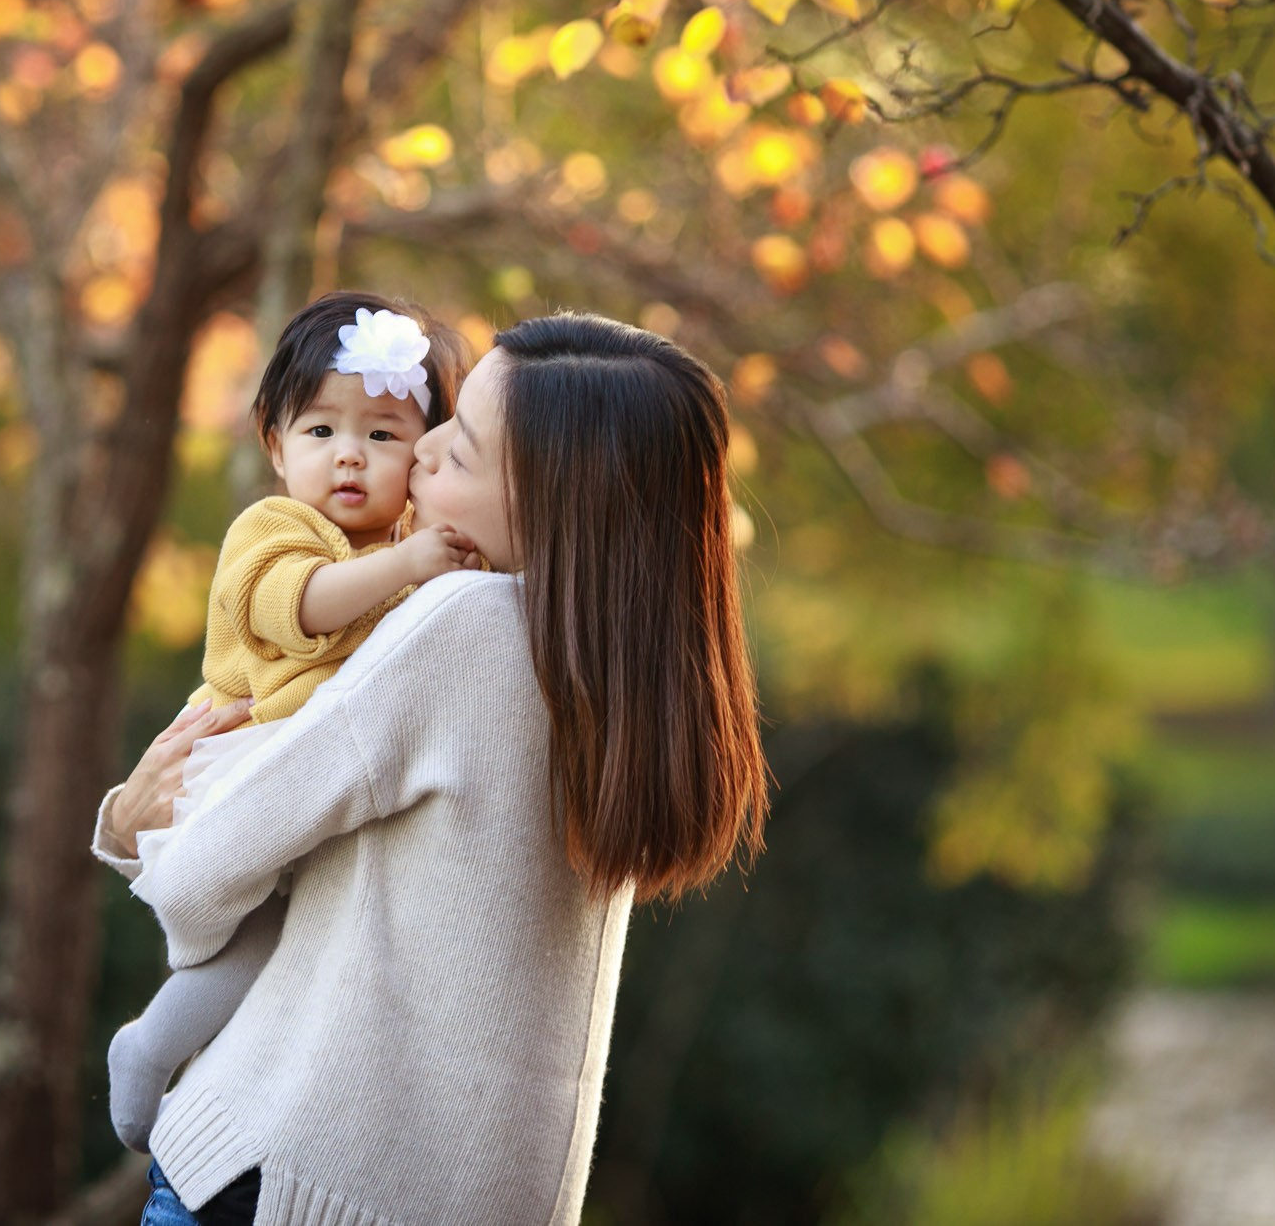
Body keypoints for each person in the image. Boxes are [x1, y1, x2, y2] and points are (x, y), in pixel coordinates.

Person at [93, 311, 771, 1226]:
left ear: (551, 499)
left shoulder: (463, 625)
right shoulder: (633, 671)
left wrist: (138, 830)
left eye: (461, 447)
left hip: (294, 1178)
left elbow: (214, 865)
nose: (421, 452)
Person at [106, 291, 474, 1153]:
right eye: (320, 433)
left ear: (425, 455)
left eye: (382, 436)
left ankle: (166, 1043)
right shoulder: (276, 528)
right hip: (246, 754)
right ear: (275, 445)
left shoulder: (419, 539)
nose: (350, 456)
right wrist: (414, 564)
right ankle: (152, 1040)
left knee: (297, 930)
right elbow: (299, 608)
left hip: (321, 768)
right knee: (258, 924)